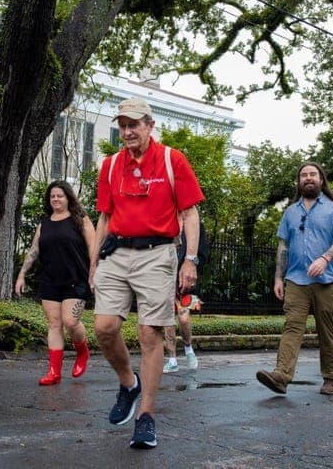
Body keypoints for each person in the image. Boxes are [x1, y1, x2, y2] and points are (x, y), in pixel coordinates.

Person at [92, 97, 204, 450]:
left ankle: (146, 416)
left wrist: (190, 259)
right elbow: (105, 218)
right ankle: (129, 383)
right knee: (104, 328)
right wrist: (94, 262)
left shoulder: (172, 160)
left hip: (157, 254)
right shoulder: (110, 166)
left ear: (149, 126)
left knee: (149, 334)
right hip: (116, 253)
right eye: (122, 125)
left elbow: (190, 214)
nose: (127, 132)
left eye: (134, 125)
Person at [256, 161, 333, 396]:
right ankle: (281, 375)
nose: (308, 178)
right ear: (299, 182)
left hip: (326, 280)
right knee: (292, 326)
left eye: (313, 174)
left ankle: (331, 378)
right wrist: (279, 277)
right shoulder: (290, 212)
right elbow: (283, 245)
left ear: (321, 180)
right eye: (304, 175)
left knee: (326, 329)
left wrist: (325, 258)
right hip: (296, 280)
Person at [14, 180, 95, 386]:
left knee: (70, 321)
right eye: (52, 196)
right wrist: (22, 274)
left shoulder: (80, 220)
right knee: (54, 324)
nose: (56, 199)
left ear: (68, 198)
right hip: (50, 280)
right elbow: (34, 251)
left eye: (59, 195)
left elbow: (94, 248)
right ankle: (54, 371)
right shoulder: (45, 223)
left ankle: (82, 350)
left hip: (75, 279)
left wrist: (94, 272)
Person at [163, 220, 209, 373]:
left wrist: (191, 265)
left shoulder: (196, 225)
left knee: (184, 319)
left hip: (186, 281)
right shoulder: (165, 219)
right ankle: (172, 359)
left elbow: (203, 254)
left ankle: (189, 350)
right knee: (167, 320)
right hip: (165, 277)